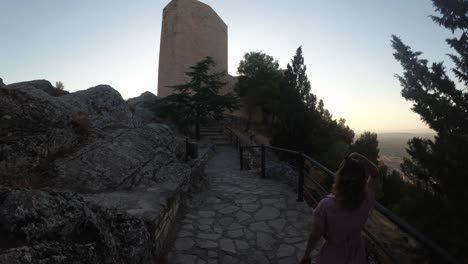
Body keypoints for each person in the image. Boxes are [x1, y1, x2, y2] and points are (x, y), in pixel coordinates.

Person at [300, 152, 379, 264]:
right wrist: (361, 157)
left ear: (340, 177)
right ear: (362, 180)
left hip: (332, 256)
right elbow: (375, 174)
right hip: (357, 255)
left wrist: (306, 255)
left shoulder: (326, 206)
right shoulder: (366, 200)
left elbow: (315, 235)